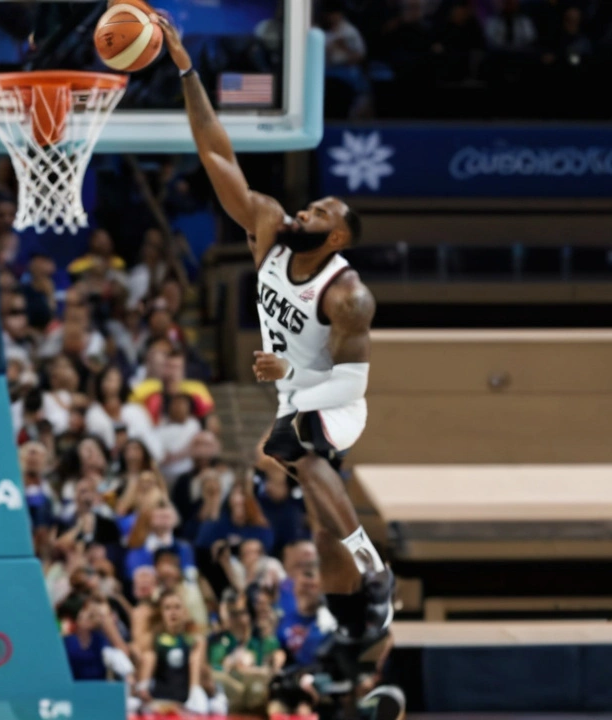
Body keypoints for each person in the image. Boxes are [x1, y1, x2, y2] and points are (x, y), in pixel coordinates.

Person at [161, 14, 394, 660]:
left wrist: (289, 377)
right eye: (309, 206)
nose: (305, 212)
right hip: (299, 402)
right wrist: (186, 71)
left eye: (319, 214)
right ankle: (363, 636)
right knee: (319, 533)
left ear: (337, 237)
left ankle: (374, 567)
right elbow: (216, 153)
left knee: (290, 443)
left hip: (339, 407)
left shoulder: (348, 296)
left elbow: (351, 382)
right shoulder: (266, 229)